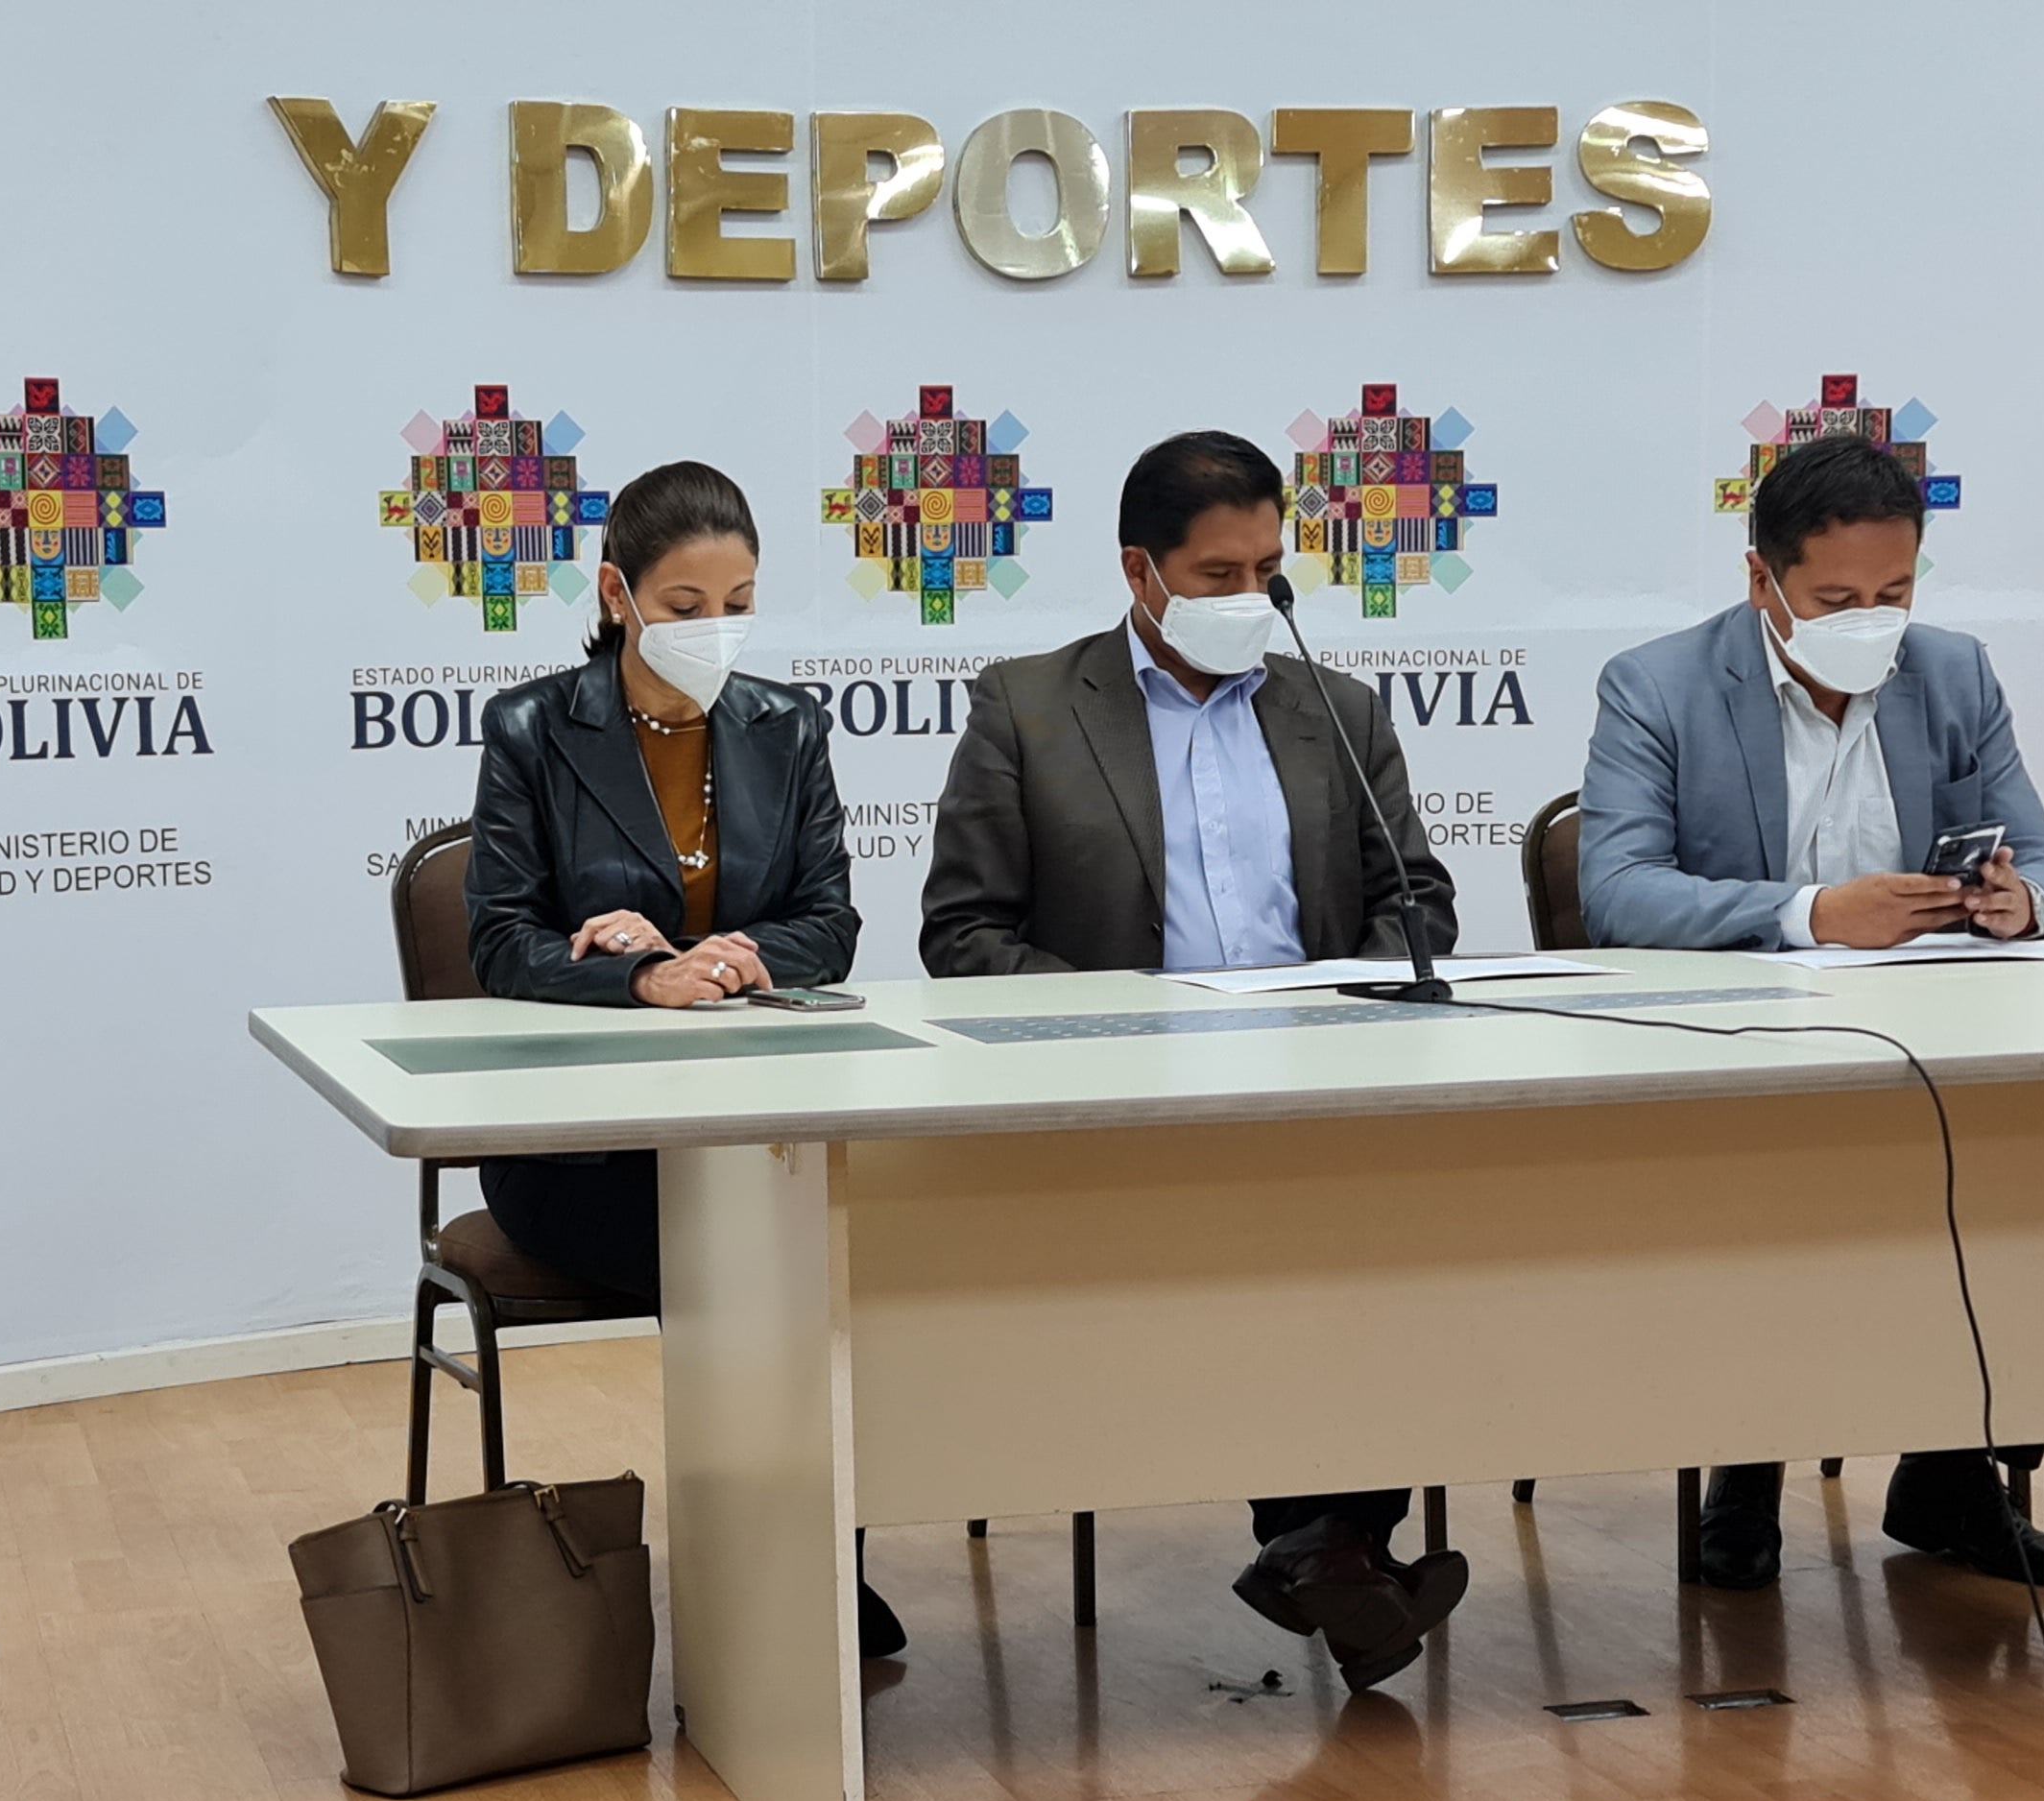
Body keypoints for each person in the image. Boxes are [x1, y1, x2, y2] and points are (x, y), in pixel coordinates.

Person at [921, 429, 1466, 1693]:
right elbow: (965, 936)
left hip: (1314, 1088)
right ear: (1141, 572)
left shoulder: (1338, 711)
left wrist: (1343, 1013)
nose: (1249, 599)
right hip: (1121, 1102)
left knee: (1385, 1227)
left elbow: (1416, 903)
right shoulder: (1029, 709)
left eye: (1267, 572)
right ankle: (1330, 1544)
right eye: (1218, 576)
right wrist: (1129, 1029)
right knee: (1268, 1235)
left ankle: (1325, 1545)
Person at [1576, 428, 2044, 1591]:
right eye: (1838, 600)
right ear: (1762, 580)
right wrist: (1813, 914)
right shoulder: (1656, 685)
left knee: (2034, 1167)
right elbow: (1617, 892)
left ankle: (1949, 1476)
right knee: (1782, 1192)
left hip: (1928, 1047)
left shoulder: (1952, 673)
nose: (1871, 621)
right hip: (1734, 1054)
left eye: (1893, 594)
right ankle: (1745, 1466)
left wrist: (2022, 903)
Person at [460, 463, 897, 1655]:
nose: (717, 629)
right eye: (687, 605)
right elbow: (498, 942)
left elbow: (829, 922)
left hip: (754, 1121)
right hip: (586, 1146)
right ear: (618, 596)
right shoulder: (532, 730)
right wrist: (636, 975)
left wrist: (734, 954)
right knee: (759, 1266)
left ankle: (814, 1561)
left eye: (738, 603)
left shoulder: (787, 727)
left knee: (833, 1249)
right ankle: (774, 1579)